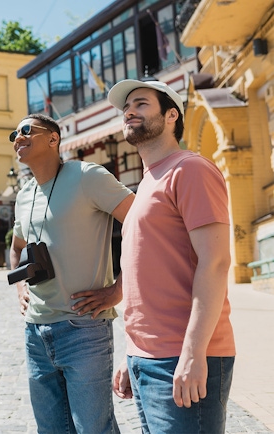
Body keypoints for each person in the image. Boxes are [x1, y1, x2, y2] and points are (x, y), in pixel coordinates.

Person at [107, 78, 236, 433]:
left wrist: (193, 353)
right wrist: (131, 354)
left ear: (171, 116)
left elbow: (216, 262)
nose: (130, 110)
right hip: (146, 359)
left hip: (184, 356)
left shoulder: (189, 169)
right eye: (126, 107)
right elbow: (144, 276)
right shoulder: (147, 183)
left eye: (141, 103)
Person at [8, 113, 134, 433]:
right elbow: (15, 248)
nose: (18, 138)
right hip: (35, 331)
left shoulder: (87, 176)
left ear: (54, 138)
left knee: (94, 428)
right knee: (51, 429)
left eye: (26, 131)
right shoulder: (24, 195)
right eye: (14, 135)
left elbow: (141, 221)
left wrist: (120, 288)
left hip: (84, 327)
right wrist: (20, 286)